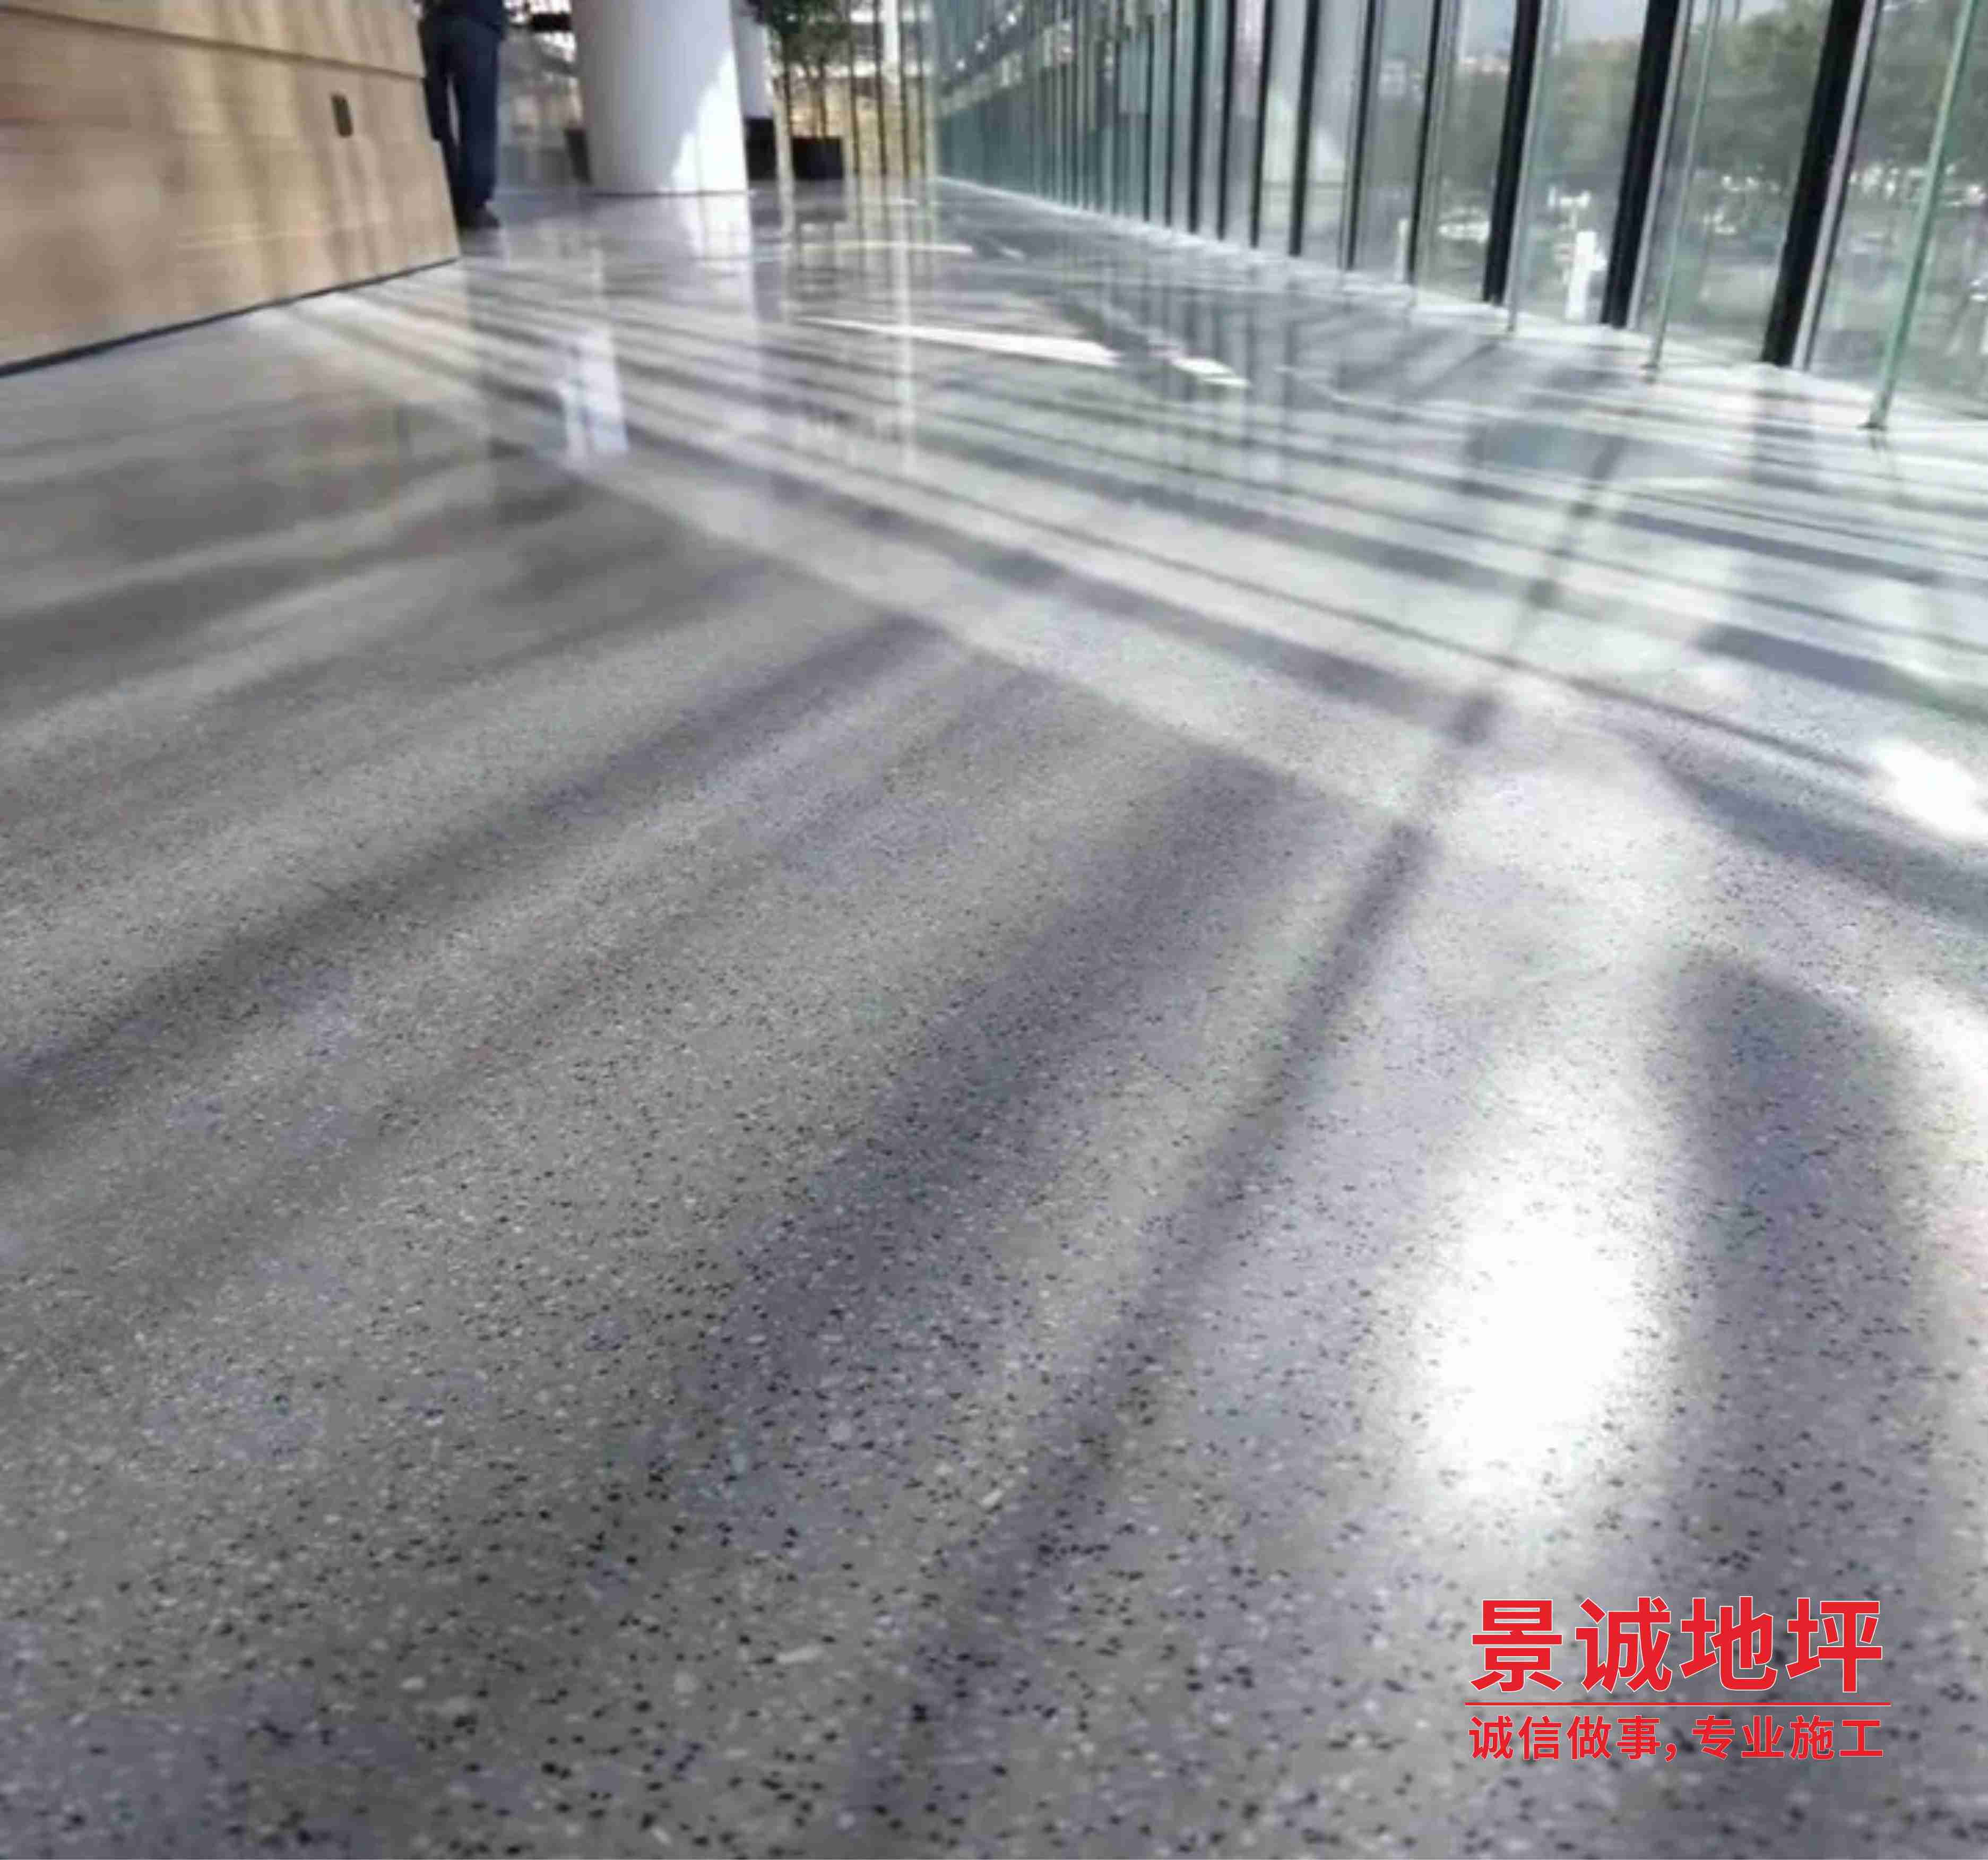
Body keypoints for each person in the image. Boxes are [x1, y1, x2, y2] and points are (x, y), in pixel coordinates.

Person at [420, 0, 507, 231]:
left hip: (433, 19)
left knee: (434, 116)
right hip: (477, 16)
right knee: (478, 116)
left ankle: (446, 193)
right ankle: (473, 203)